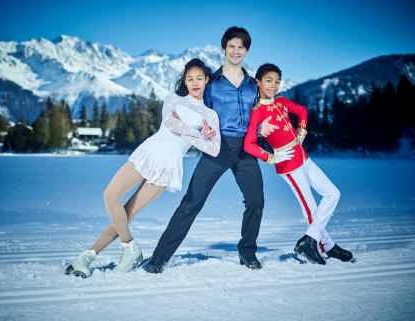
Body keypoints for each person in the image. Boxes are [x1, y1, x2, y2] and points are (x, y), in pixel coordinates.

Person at [65, 59, 221, 277]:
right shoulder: (173, 99)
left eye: (199, 78)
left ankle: (87, 257)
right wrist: (198, 133)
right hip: (148, 153)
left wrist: (202, 135)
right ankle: (129, 246)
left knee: (127, 214)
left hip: (168, 165)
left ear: (207, 80)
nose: (194, 82)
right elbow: (171, 123)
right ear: (184, 81)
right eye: (189, 78)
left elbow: (214, 149)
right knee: (110, 196)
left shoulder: (210, 114)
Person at [143, 26, 278, 273]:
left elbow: (260, 114)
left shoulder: (253, 85)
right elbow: (193, 108)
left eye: (241, 47)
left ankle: (247, 252)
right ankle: (159, 257)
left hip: (247, 150)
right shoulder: (212, 83)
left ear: (246, 50)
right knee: (192, 202)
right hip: (218, 148)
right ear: (224, 49)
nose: (236, 51)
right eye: (231, 46)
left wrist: (264, 129)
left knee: (256, 201)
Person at [244, 63, 353, 264]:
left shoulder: (282, 102)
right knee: (310, 207)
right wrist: (272, 157)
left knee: (333, 193)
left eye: (277, 81)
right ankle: (325, 246)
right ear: (258, 82)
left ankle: (314, 241)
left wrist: (301, 132)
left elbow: (302, 111)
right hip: (288, 165)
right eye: (269, 81)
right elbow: (249, 144)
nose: (274, 85)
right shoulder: (257, 112)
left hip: (303, 157)